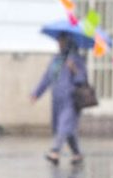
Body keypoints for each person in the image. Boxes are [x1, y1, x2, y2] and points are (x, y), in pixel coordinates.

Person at [31, 33, 88, 165]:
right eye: (59, 41)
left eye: (63, 41)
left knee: (64, 124)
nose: (60, 44)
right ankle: (77, 153)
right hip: (57, 99)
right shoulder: (56, 59)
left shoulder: (76, 59)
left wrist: (74, 70)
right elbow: (47, 78)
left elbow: (82, 79)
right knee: (64, 128)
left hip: (71, 99)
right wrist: (36, 93)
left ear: (69, 42)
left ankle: (55, 151)